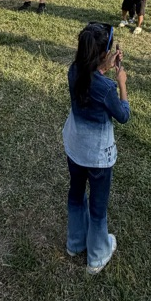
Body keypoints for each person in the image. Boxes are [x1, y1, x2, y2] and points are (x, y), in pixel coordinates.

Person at [63, 22, 130, 274]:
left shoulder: (74, 70)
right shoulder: (105, 88)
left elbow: (91, 78)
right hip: (98, 156)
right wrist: (121, 81)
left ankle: (75, 242)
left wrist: (104, 67)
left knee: (76, 193)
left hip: (74, 147)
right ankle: (97, 257)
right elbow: (123, 115)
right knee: (98, 206)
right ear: (103, 54)